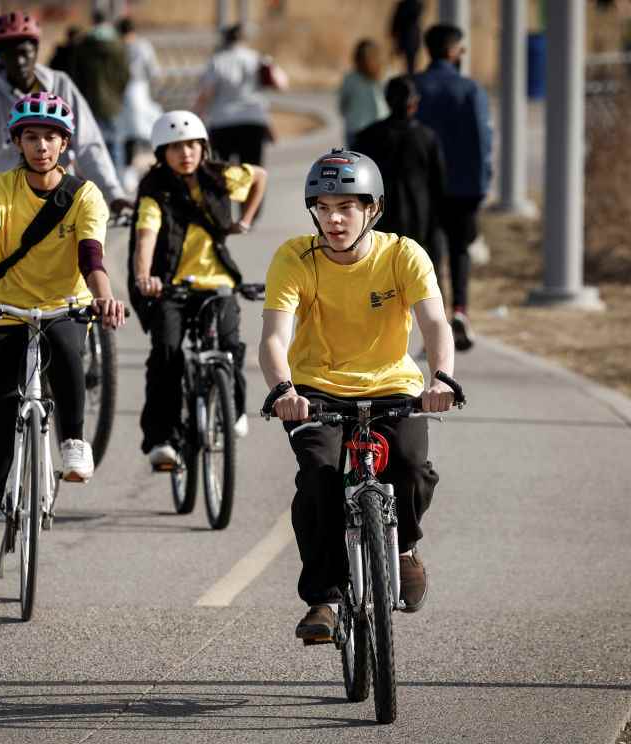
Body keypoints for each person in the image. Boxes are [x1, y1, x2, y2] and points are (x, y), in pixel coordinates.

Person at [258, 149, 456, 642]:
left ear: (374, 209)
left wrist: (442, 378)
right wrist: (283, 388)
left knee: (410, 466)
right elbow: (273, 338)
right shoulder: (294, 257)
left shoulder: (403, 255)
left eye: (347, 206)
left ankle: (405, 546)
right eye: (323, 207)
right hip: (314, 390)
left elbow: (435, 323)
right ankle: (324, 599)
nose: (334, 219)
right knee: (319, 481)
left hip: (393, 385)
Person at [0, 92, 127, 591]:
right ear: (18, 142)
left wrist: (106, 299)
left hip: (61, 305)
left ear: (65, 144)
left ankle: (73, 439)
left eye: (51, 137)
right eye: (31, 136)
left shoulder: (85, 195)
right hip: (1, 309)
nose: (41, 145)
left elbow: (92, 257)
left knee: (70, 346)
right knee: (1, 418)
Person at [128, 110, 267, 468]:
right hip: (170, 287)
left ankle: (232, 408)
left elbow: (259, 177)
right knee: (166, 353)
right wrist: (145, 276)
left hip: (217, 284)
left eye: (192, 144)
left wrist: (246, 221)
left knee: (230, 345)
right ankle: (163, 439)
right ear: (161, 153)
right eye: (175, 147)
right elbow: (145, 238)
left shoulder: (219, 177)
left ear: (203, 147)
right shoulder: (154, 192)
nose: (185, 153)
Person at [0, 10, 129, 217]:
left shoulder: (61, 86)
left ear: (36, 50)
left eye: (24, 53)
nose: (19, 61)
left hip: (57, 203)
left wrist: (113, 194)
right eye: (10, 54)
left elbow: (89, 145)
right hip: (5, 208)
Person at [413, 24, 492, 352]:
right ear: (451, 51)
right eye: (461, 49)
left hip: (423, 188)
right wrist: (482, 182)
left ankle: (439, 320)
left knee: (429, 256)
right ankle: (460, 310)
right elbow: (481, 139)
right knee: (460, 251)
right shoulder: (469, 90)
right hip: (462, 185)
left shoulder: (413, 87)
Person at [354, 75, 445, 248]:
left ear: (387, 101)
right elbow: (438, 186)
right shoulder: (427, 138)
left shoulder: (368, 136)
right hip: (419, 220)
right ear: (414, 104)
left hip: (378, 220)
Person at [194, 23, 287, 169]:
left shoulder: (217, 61)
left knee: (222, 172)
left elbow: (206, 94)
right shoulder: (257, 58)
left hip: (222, 122)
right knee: (252, 171)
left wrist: (196, 117)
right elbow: (281, 84)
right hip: (253, 120)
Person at [52, 10, 129, 170]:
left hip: (89, 101)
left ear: (92, 20)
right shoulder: (118, 45)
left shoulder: (84, 46)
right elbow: (125, 75)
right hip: (113, 102)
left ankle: (96, 181)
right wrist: (117, 93)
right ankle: (117, 184)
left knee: (90, 144)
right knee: (115, 143)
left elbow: (76, 75)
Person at [115, 17, 162, 170]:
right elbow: (154, 71)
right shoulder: (143, 46)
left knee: (127, 134)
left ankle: (128, 170)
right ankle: (159, 161)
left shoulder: (117, 47)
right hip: (140, 89)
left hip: (122, 92)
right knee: (145, 129)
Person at [338, 38, 389, 151]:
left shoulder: (350, 79)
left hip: (356, 129)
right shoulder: (385, 77)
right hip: (380, 129)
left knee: (356, 167)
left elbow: (342, 106)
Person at [390, 0, 424, 74]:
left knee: (408, 61)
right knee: (408, 61)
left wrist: (393, 32)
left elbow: (396, 20)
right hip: (409, 36)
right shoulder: (417, 5)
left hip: (407, 36)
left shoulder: (407, 5)